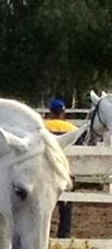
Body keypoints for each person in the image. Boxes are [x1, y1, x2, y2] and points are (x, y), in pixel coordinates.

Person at [45, 98, 78, 238]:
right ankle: (64, 234)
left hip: (46, 171)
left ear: (50, 112)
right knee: (66, 206)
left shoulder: (43, 126)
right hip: (66, 171)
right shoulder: (73, 129)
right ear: (63, 113)